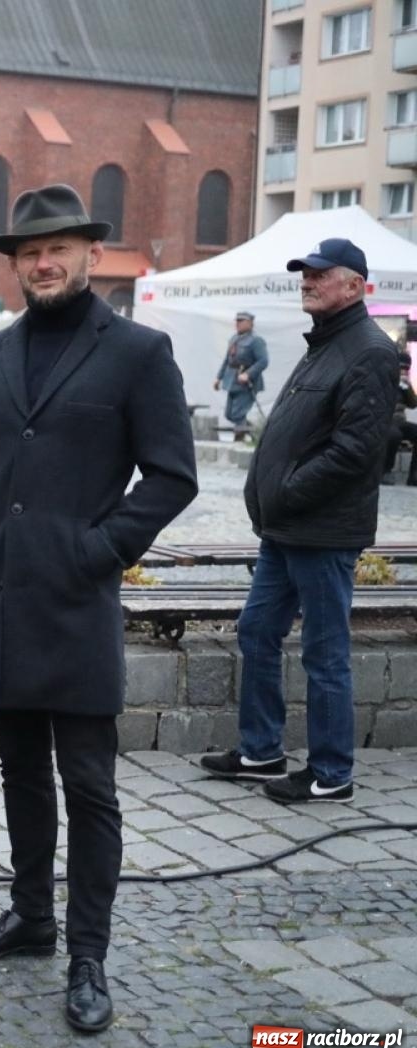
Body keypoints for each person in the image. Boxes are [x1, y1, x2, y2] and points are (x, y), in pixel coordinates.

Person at [0, 184, 198, 1034]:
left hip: (78, 600)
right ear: (14, 264)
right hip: (2, 597)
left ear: (91, 255)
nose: (43, 263)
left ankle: (88, 953)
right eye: (28, 252)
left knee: (88, 786)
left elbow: (171, 475)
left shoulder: (137, 352)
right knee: (17, 773)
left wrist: (98, 549)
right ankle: (30, 916)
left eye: (58, 249)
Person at [200, 238, 400, 802]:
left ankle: (332, 775)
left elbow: (356, 451)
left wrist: (284, 492)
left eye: (317, 274)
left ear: (354, 286)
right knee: (257, 631)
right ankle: (262, 751)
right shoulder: (326, 345)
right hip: (287, 530)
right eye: (303, 274)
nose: (305, 281)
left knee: (325, 651)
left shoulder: (369, 351)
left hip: (322, 531)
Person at [213, 310, 269, 438]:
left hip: (246, 383)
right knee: (229, 414)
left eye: (241, 321)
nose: (237, 324)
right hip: (232, 381)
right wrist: (218, 377)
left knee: (238, 414)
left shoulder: (256, 340)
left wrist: (248, 374)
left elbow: (263, 361)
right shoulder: (234, 338)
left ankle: (239, 443)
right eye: (236, 321)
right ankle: (253, 431)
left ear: (250, 323)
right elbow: (227, 360)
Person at [387, 348, 417, 487]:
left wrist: (408, 388)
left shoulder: (405, 384)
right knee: (394, 435)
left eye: (406, 369)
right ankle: (386, 471)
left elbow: (413, 404)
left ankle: (414, 475)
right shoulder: (387, 379)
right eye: (401, 368)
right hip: (387, 420)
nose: (403, 371)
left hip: (401, 421)